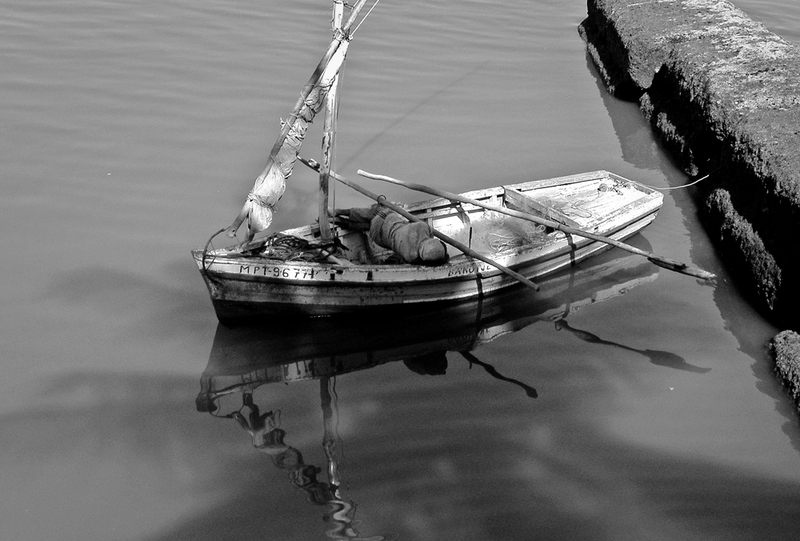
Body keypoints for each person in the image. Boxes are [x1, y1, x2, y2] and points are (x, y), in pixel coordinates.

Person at [335, 204, 448, 264]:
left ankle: (340, 212)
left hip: (384, 218)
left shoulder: (422, 226)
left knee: (376, 210)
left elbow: (430, 233)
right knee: (368, 226)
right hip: (377, 237)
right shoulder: (410, 256)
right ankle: (345, 223)